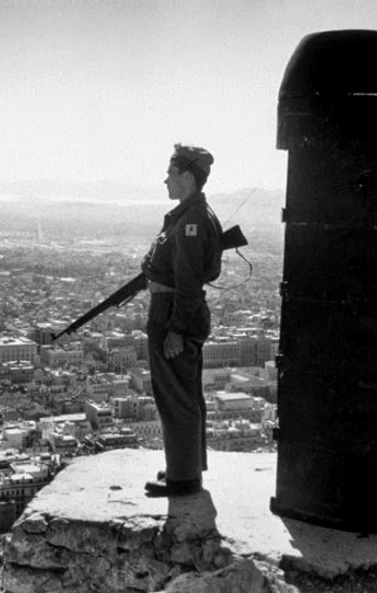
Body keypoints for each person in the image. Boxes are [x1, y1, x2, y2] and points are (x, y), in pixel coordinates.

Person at [141, 144, 222, 497]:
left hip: (176, 312)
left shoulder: (191, 220)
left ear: (187, 177)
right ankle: (184, 468)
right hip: (176, 309)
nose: (165, 180)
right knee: (183, 394)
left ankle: (183, 478)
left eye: (171, 174)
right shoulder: (191, 214)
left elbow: (188, 281)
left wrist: (174, 329)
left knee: (176, 396)